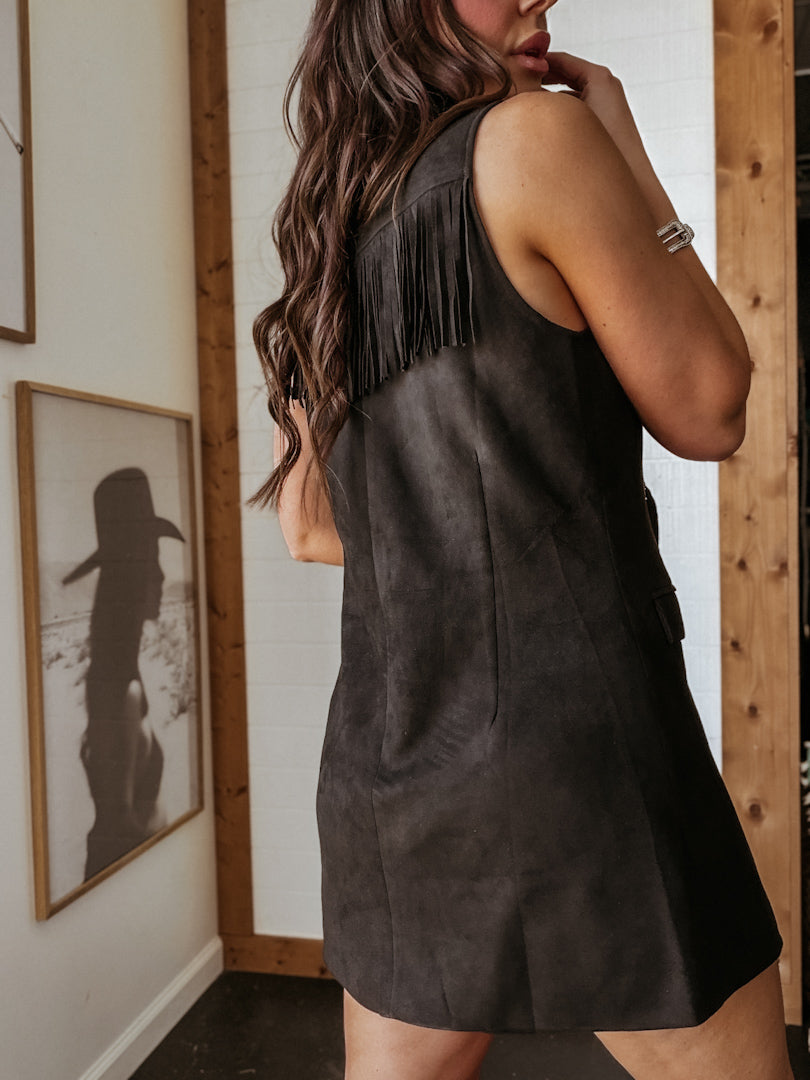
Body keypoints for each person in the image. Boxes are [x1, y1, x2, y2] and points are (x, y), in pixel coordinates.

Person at [251, 1, 796, 1078]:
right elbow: (711, 408)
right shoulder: (540, 135)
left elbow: (311, 530)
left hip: (394, 767)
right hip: (583, 763)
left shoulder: (333, 222)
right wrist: (632, 160)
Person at [63, 467, 184, 880]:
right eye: (152, 561)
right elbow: (118, 831)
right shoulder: (121, 689)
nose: (162, 575)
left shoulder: (121, 676)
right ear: (129, 574)